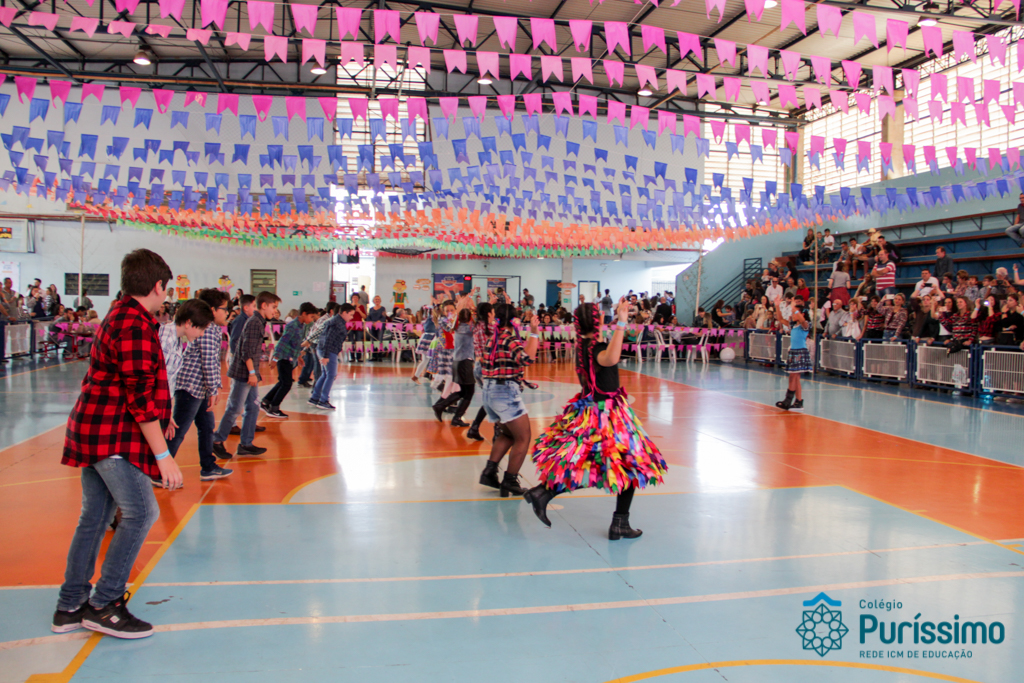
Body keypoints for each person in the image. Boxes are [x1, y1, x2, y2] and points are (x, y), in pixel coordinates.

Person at [52, 249, 183, 640]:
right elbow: (139, 398)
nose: (166, 295)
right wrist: (164, 456)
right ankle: (105, 604)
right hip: (112, 436)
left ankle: (71, 605)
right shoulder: (134, 324)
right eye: (166, 288)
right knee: (141, 513)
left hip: (96, 430)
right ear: (157, 286)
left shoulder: (121, 314)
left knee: (95, 517)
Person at [524, 299, 668, 539]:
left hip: (593, 412)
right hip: (606, 416)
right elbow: (611, 359)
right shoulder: (596, 348)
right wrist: (621, 322)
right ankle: (618, 522)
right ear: (597, 320)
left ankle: (544, 493)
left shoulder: (584, 345)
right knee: (630, 464)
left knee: (602, 466)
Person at [166, 289, 233, 481]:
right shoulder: (209, 330)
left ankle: (208, 466)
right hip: (191, 386)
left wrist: (213, 387)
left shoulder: (212, 329)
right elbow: (208, 361)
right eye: (224, 309)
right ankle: (160, 468)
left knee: (207, 425)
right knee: (178, 429)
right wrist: (214, 389)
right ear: (212, 310)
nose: (227, 313)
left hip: (200, 387)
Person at [478, 302, 540, 497]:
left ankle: (489, 472)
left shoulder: (493, 338)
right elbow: (527, 359)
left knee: (507, 434)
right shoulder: (508, 338)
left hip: (489, 392)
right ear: (514, 321)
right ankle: (510, 480)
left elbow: (482, 365)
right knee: (523, 437)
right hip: (505, 392)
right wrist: (534, 333)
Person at [212, 291, 280, 459]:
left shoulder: (259, 321)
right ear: (264, 306)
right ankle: (217, 440)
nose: (275, 311)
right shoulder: (254, 322)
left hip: (251, 372)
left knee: (253, 407)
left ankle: (246, 444)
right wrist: (251, 373)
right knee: (235, 408)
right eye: (273, 307)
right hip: (244, 373)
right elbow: (246, 351)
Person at [261, 302, 317, 418]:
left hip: (290, 358)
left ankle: (266, 401)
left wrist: (299, 357)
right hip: (284, 358)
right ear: (304, 314)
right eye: (311, 317)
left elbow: (295, 344)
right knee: (286, 384)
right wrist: (275, 358)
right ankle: (274, 407)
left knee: (282, 382)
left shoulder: (301, 326)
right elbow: (282, 343)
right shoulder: (292, 326)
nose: (312, 320)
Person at [433, 308, 477, 426]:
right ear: (469, 318)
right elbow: (480, 326)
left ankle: (443, 408)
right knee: (469, 392)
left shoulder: (456, 327)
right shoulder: (469, 329)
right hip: (465, 362)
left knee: (463, 391)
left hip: (457, 362)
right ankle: (449, 412)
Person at [309, 303, 357, 410]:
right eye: (351, 314)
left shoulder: (335, 321)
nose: (352, 317)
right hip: (329, 351)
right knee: (331, 375)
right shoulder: (337, 323)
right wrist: (326, 355)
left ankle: (315, 398)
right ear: (344, 313)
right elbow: (328, 339)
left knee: (325, 374)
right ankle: (323, 400)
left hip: (324, 350)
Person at [773, 294, 810, 412]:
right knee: (795, 377)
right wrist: (777, 306)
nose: (792, 315)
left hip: (800, 352)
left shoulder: (805, 325)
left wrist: (794, 308)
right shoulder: (793, 325)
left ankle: (787, 400)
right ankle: (798, 401)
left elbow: (802, 319)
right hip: (794, 351)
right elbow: (780, 319)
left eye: (794, 313)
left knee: (793, 376)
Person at [228, 294, 255, 360]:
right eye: (254, 306)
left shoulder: (248, 320)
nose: (256, 309)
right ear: (246, 308)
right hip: (238, 357)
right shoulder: (240, 320)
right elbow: (235, 339)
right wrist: (238, 356)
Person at [366, 295, 387, 361]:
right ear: (373, 301)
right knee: (373, 340)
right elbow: (368, 317)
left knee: (379, 340)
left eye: (378, 299)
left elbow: (383, 317)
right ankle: (374, 356)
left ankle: (380, 356)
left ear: (380, 301)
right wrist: (371, 322)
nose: (377, 300)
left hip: (380, 326)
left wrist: (378, 322)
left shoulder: (383, 308)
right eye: (376, 299)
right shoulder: (371, 309)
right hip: (372, 326)